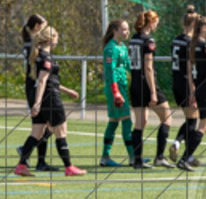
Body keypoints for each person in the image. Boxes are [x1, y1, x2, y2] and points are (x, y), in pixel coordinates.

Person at [13, 26, 86, 177]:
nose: (57, 41)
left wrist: (66, 90)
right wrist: (38, 103)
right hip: (50, 98)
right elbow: (42, 81)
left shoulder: (38, 55)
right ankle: (69, 167)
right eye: (57, 38)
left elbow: (48, 80)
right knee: (61, 131)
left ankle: (21, 165)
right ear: (51, 39)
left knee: (37, 133)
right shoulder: (46, 57)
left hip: (41, 95)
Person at [128, 10, 174, 169]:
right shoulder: (149, 41)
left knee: (140, 123)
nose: (156, 26)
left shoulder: (133, 39)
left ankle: (137, 160)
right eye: (156, 23)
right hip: (146, 84)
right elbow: (148, 67)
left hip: (135, 83)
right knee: (167, 118)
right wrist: (153, 92)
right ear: (150, 23)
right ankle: (159, 157)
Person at [17, 14, 59, 171]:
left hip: (35, 84)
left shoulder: (32, 42)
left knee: (45, 126)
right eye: (44, 26)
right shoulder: (33, 44)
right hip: (35, 85)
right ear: (36, 27)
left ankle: (35, 157)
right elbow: (39, 72)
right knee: (46, 125)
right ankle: (29, 152)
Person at [100, 19, 135, 167]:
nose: (127, 32)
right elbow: (110, 71)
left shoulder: (122, 47)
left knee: (114, 122)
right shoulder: (110, 48)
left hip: (121, 87)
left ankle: (105, 157)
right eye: (124, 29)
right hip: (115, 89)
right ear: (115, 30)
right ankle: (133, 157)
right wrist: (116, 92)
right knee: (127, 120)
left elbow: (128, 66)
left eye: (128, 29)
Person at [182, 15, 206, 169]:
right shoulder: (205, 45)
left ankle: (188, 157)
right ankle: (185, 158)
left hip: (199, 88)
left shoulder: (192, 45)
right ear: (203, 28)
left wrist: (192, 90)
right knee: (204, 125)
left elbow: (189, 70)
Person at [169, 5, 199, 166]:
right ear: (194, 24)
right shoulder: (190, 42)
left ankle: (190, 156)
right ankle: (177, 143)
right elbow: (189, 67)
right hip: (187, 83)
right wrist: (193, 89)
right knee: (192, 121)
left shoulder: (176, 40)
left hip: (176, 82)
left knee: (190, 119)